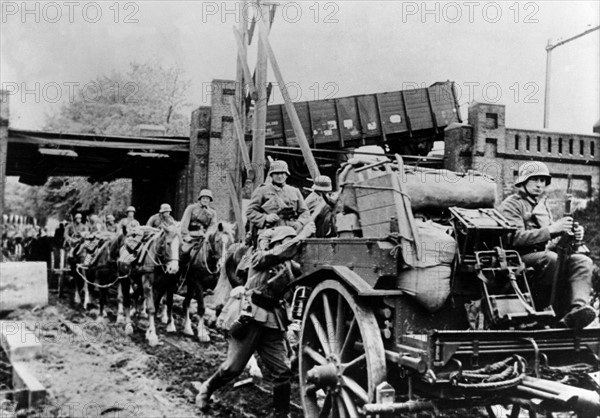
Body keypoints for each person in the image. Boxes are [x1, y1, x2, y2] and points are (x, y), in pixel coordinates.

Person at [196, 222, 316, 417]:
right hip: (250, 317)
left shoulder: (288, 265)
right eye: (287, 242)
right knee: (232, 368)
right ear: (278, 243)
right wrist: (301, 236)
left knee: (282, 371)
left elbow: (305, 270)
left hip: (273, 320)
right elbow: (278, 254)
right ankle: (207, 389)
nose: (292, 246)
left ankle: (281, 414)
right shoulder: (260, 256)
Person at [498, 161, 595, 329]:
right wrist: (551, 230)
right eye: (535, 180)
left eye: (543, 181)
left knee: (582, 261)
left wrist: (569, 235)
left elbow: (550, 243)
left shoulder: (542, 207)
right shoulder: (512, 204)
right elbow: (513, 238)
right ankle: (544, 313)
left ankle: (577, 310)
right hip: (518, 260)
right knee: (550, 259)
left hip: (544, 258)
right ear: (522, 181)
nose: (539, 185)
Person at [246, 160, 310, 244]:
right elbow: (250, 211)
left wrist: (299, 222)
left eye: (283, 173)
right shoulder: (262, 190)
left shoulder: (294, 191)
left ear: (287, 175)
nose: (280, 176)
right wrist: (265, 218)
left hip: (291, 230)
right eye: (276, 173)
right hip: (269, 230)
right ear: (271, 175)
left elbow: (305, 212)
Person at [180, 189, 217, 265]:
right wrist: (186, 236)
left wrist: (207, 235)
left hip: (203, 238)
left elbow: (212, 226)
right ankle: (181, 275)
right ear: (200, 199)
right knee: (184, 254)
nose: (205, 200)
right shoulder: (191, 208)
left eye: (207, 198)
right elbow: (184, 223)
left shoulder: (212, 212)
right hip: (191, 237)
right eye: (203, 198)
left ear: (210, 200)